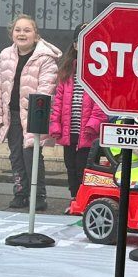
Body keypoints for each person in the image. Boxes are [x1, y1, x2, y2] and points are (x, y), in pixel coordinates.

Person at [0, 14, 60, 211]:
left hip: (34, 116)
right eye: (18, 30)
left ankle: (38, 195)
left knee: (32, 154)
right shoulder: (4, 56)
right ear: (12, 33)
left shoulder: (46, 59)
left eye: (27, 30)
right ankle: (20, 193)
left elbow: (47, 88)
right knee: (16, 155)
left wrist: (37, 112)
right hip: (12, 115)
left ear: (36, 36)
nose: (22, 33)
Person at [49, 22, 106, 208]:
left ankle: (86, 201)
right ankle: (74, 199)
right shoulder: (67, 69)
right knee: (70, 166)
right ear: (74, 45)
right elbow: (58, 100)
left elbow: (102, 102)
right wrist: (55, 124)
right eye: (80, 41)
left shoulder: (101, 71)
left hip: (88, 132)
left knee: (86, 168)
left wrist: (93, 123)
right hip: (69, 130)